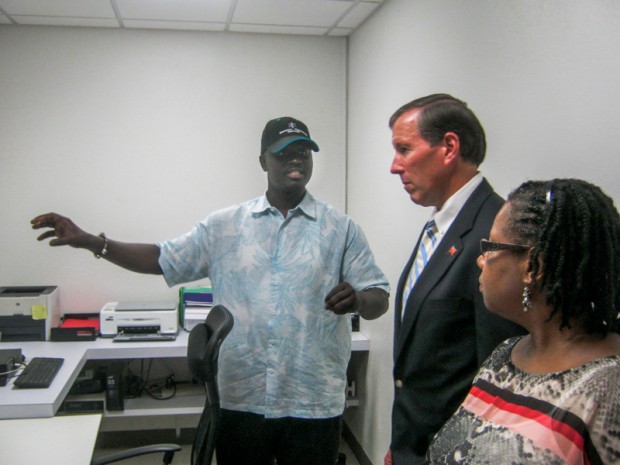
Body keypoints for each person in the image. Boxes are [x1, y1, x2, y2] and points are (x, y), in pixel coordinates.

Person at [31, 116, 390, 465]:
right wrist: (92, 241)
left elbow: (379, 296)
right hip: (242, 398)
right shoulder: (225, 226)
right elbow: (162, 258)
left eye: (303, 151)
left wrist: (359, 299)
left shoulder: (341, 229)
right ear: (262, 160)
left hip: (313, 400)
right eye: (284, 152)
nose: (296, 159)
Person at [428, 178, 620, 464]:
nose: (481, 260)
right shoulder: (505, 354)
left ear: (534, 267)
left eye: (490, 247)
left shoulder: (608, 387)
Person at [386, 94, 525, 465]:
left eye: (403, 149)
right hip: (416, 445)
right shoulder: (441, 225)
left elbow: (498, 374)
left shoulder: (493, 234)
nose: (394, 166)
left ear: (449, 147)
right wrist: (402, 444)